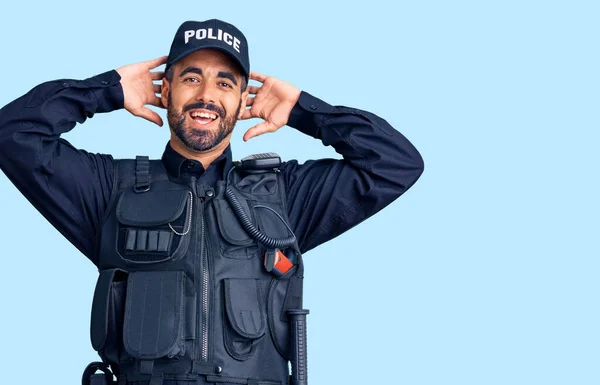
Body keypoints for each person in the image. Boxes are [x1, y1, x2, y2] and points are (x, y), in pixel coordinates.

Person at [0, 19, 423, 385]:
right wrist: (105, 90)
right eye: (190, 77)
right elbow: (13, 135)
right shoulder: (110, 188)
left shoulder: (286, 195)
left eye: (225, 83)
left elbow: (395, 163)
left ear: (243, 103)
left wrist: (303, 111)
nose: (206, 95)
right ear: (164, 92)